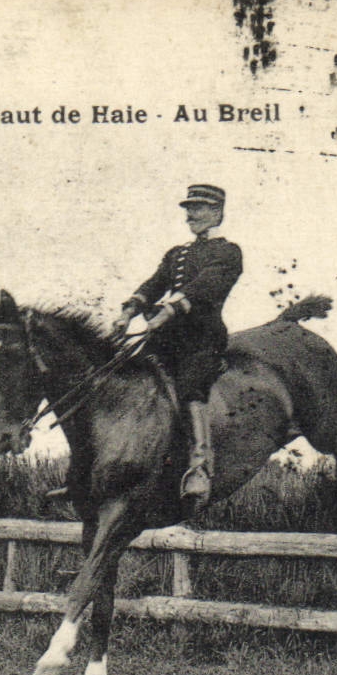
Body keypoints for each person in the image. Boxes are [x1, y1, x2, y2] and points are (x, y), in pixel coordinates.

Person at [112, 182, 243, 507]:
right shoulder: (176, 254)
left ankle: (200, 468)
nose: (191, 216)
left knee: (189, 389)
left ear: (217, 212)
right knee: (129, 381)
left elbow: (205, 288)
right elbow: (154, 283)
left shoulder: (228, 252)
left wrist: (168, 311)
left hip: (201, 339)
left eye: (198, 209)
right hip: (165, 340)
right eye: (188, 209)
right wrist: (128, 313)